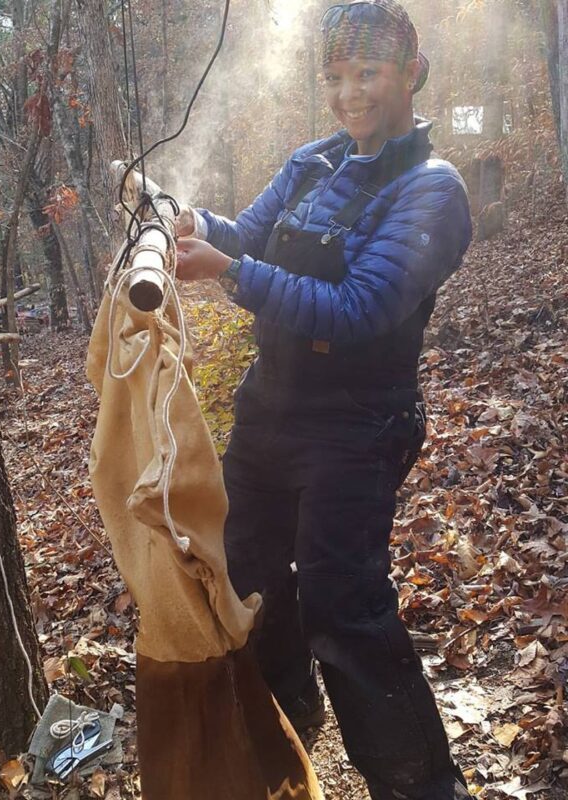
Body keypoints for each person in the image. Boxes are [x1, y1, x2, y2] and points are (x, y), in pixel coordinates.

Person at [175, 2, 473, 798]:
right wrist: (192, 224)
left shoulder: (433, 192)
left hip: (358, 425)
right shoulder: (310, 162)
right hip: (269, 411)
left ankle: (419, 785)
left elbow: (358, 309)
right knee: (251, 583)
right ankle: (286, 746)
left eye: (368, 72)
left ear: (411, 73)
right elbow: (247, 233)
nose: (350, 93)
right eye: (336, 77)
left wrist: (228, 274)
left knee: (345, 604)